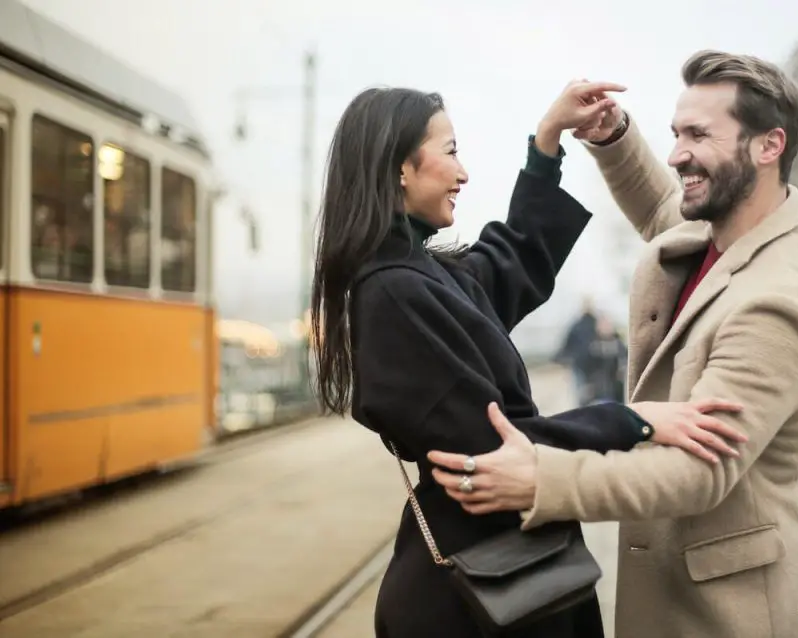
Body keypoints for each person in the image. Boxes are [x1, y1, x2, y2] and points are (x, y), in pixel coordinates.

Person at [309, 83, 748, 638]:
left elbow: (511, 258)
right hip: (480, 595)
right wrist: (636, 419)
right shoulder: (395, 293)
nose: (463, 173)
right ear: (400, 168)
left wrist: (546, 145)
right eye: (449, 152)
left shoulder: (420, 274)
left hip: (501, 574)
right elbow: (496, 450)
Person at [429, 50, 798, 638]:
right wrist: (613, 135)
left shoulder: (777, 300)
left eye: (699, 134)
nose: (677, 154)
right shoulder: (734, 223)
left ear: (768, 146)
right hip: (685, 595)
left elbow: (698, 471)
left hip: (735, 615)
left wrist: (543, 480)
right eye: (676, 133)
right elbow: (661, 209)